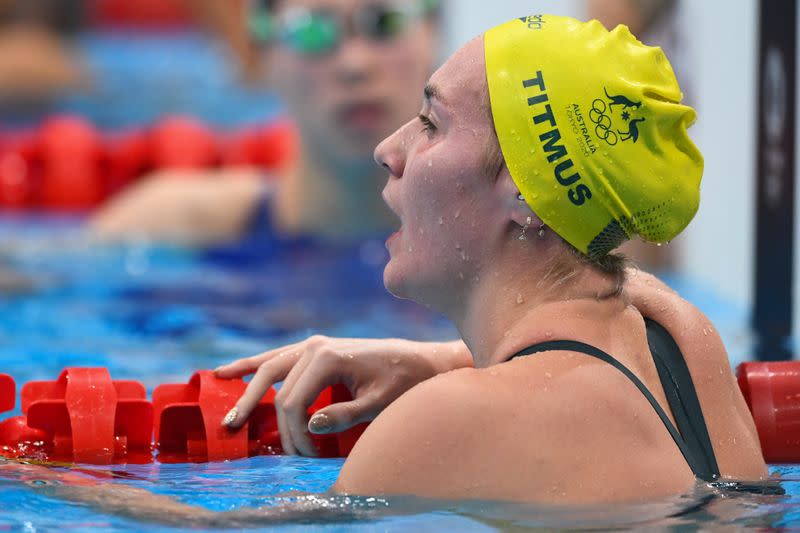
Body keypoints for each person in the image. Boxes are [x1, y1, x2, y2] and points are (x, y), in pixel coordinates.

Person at [18, 15, 769, 523]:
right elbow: (620, 287)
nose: (391, 147)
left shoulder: (454, 420)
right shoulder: (680, 333)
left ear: (524, 193)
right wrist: (441, 356)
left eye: (433, 121)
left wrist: (37, 477)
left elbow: (239, 527)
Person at [89, 0, 441, 247]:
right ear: (258, 58)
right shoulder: (168, 226)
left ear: (433, 34)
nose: (354, 63)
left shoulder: (489, 248)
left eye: (384, 22)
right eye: (311, 32)